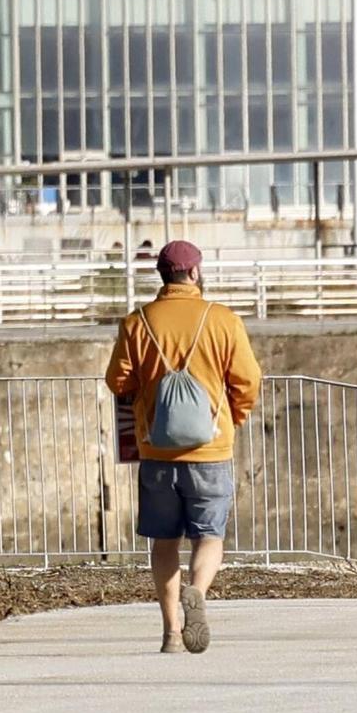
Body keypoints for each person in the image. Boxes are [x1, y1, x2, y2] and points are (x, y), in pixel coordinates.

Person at [105, 238, 261, 656]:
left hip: (156, 451)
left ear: (162, 274)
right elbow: (248, 381)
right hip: (210, 450)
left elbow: (118, 381)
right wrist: (233, 419)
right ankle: (199, 589)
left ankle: (171, 633)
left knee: (164, 542)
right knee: (209, 535)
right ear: (194, 272)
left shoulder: (137, 322)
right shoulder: (223, 320)